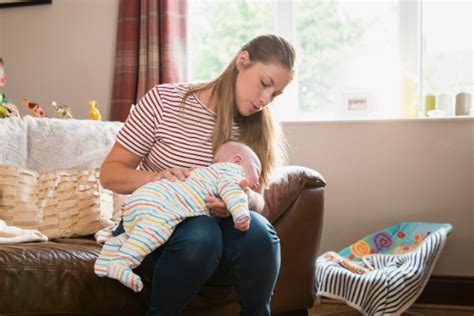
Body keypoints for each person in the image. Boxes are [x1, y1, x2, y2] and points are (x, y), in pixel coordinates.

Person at [100, 34, 295, 316]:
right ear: (242, 61)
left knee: (260, 233)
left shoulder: (257, 128)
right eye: (265, 84)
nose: (265, 100)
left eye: (275, 94)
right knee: (201, 233)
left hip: (217, 241)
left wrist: (242, 199)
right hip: (156, 229)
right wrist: (157, 178)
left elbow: (259, 202)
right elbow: (109, 174)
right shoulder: (164, 101)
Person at [95, 141, 261, 292]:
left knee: (134, 232)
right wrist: (240, 214)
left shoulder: (202, 173)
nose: (258, 183)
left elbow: (258, 199)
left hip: (140, 200)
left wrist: (248, 198)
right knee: (158, 227)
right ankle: (122, 263)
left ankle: (106, 260)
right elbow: (233, 192)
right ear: (237, 160)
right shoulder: (231, 171)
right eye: (257, 172)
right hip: (160, 202)